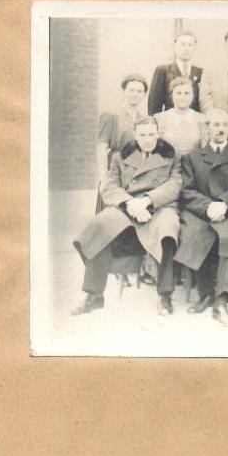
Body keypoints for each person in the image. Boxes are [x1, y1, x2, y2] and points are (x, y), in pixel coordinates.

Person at [72, 117, 182, 316]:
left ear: (158, 134)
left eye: (151, 134)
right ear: (135, 135)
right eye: (143, 135)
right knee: (101, 226)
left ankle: (164, 295)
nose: (147, 139)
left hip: (159, 207)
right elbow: (109, 186)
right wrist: (130, 203)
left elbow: (175, 185)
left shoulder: (171, 155)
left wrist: (147, 201)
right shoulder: (121, 157)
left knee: (168, 229)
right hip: (127, 208)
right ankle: (94, 295)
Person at [174, 109, 228, 327]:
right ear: (207, 128)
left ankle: (222, 300)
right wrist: (208, 206)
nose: (220, 129)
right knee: (194, 233)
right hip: (201, 211)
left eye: (225, 125)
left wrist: (225, 204)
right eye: (216, 125)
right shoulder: (193, 156)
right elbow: (187, 190)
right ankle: (206, 294)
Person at [95, 74, 148, 213]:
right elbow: (101, 147)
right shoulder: (111, 115)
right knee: (113, 211)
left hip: (135, 170)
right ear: (124, 91)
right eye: (131, 90)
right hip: (115, 169)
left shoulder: (144, 118)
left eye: (139, 91)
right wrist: (103, 177)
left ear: (144, 94)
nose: (135, 94)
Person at [148, 30, 203, 114]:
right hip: (169, 120)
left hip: (194, 120)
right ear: (175, 47)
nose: (186, 48)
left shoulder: (200, 72)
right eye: (182, 44)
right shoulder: (163, 70)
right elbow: (154, 104)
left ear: (194, 48)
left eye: (190, 45)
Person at [154, 77, 207, 156]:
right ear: (172, 95)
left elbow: (205, 150)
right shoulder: (159, 119)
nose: (182, 97)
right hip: (167, 162)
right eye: (178, 93)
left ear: (193, 96)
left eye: (187, 93)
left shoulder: (202, 119)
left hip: (195, 163)